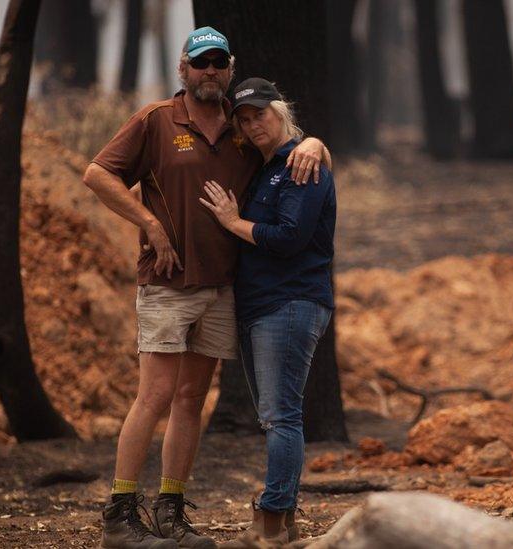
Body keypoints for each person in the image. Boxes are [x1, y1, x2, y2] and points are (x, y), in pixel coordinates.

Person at [83, 28, 330, 549]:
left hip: (222, 288)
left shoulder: (244, 133)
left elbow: (288, 154)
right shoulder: (154, 120)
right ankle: (119, 516)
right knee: (154, 395)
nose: (209, 71)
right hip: (167, 282)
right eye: (200, 63)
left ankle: (170, 511)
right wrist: (149, 224)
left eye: (219, 62)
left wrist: (315, 141)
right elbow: (97, 174)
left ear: (230, 67)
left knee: (192, 399)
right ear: (183, 69)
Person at [200, 78, 335, 545]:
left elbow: (290, 237)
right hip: (262, 306)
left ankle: (270, 521)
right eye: (245, 118)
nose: (253, 124)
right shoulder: (264, 168)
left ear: (281, 112)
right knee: (276, 416)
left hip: (291, 302)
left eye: (261, 113)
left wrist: (233, 223)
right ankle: (285, 523)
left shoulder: (301, 163)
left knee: (282, 416)